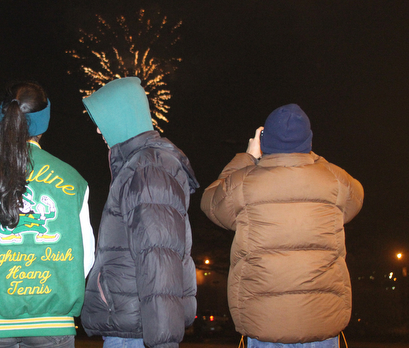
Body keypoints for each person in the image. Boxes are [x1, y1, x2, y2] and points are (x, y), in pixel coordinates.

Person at [0, 82, 95, 348]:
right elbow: (85, 254)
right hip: (52, 321)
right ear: (45, 121)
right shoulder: (74, 180)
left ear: (4, 116)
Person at [201, 104, 364, 348]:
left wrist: (247, 156)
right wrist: (308, 155)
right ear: (308, 140)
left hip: (264, 324)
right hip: (322, 323)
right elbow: (356, 197)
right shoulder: (335, 181)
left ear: (264, 141)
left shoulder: (244, 184)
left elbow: (210, 202)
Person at [80, 77, 199, 348]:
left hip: (137, 334)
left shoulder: (148, 170)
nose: (99, 131)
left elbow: (159, 256)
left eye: (104, 120)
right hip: (134, 325)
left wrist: (163, 340)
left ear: (122, 117)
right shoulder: (141, 165)